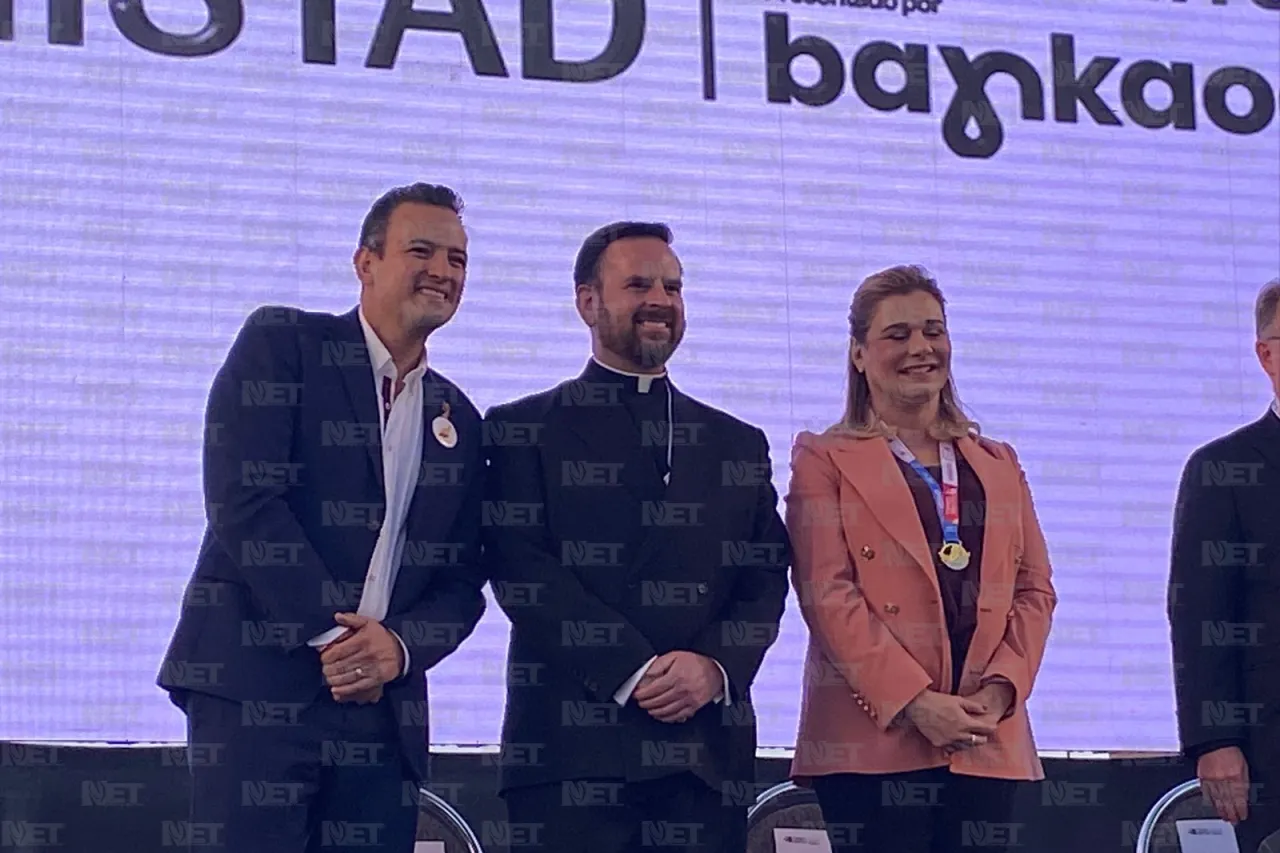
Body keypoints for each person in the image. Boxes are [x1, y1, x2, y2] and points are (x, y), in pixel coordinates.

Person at [156, 183, 488, 853]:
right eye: (420, 249)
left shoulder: (462, 418)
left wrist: (395, 649)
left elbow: (463, 582)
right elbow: (244, 500)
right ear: (365, 262)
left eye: (457, 258)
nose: (443, 271)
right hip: (258, 694)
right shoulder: (285, 343)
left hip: (381, 716)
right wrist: (335, 638)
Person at [483, 221, 791, 852]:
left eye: (673, 286)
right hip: (573, 761)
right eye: (639, 284)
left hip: (705, 762)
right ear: (587, 301)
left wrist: (715, 666)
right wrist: (632, 668)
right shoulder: (523, 430)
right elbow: (522, 571)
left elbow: (764, 578)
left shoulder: (736, 441)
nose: (661, 299)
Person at [785, 265, 1057, 852]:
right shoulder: (824, 457)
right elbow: (826, 593)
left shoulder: (998, 461)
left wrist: (1002, 692)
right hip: (871, 743)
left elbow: (1035, 590)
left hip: (986, 737)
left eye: (933, 331)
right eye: (898, 334)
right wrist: (915, 703)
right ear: (859, 355)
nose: (920, 348)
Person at [1169, 278, 1280, 852]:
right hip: (1269, 758)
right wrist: (1215, 739)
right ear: (1267, 353)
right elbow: (1198, 617)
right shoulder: (1224, 468)